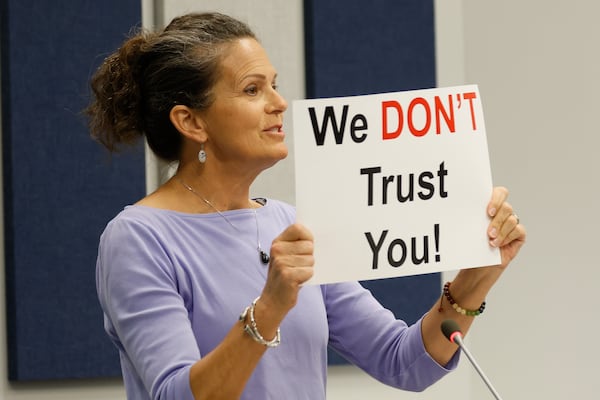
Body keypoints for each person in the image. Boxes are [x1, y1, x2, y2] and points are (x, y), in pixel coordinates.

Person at [85, 12, 526, 400]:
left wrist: (472, 282)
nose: (279, 104)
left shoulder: (289, 222)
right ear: (191, 121)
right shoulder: (138, 238)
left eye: (274, 86)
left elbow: (402, 362)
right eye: (252, 89)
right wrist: (270, 307)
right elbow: (177, 396)